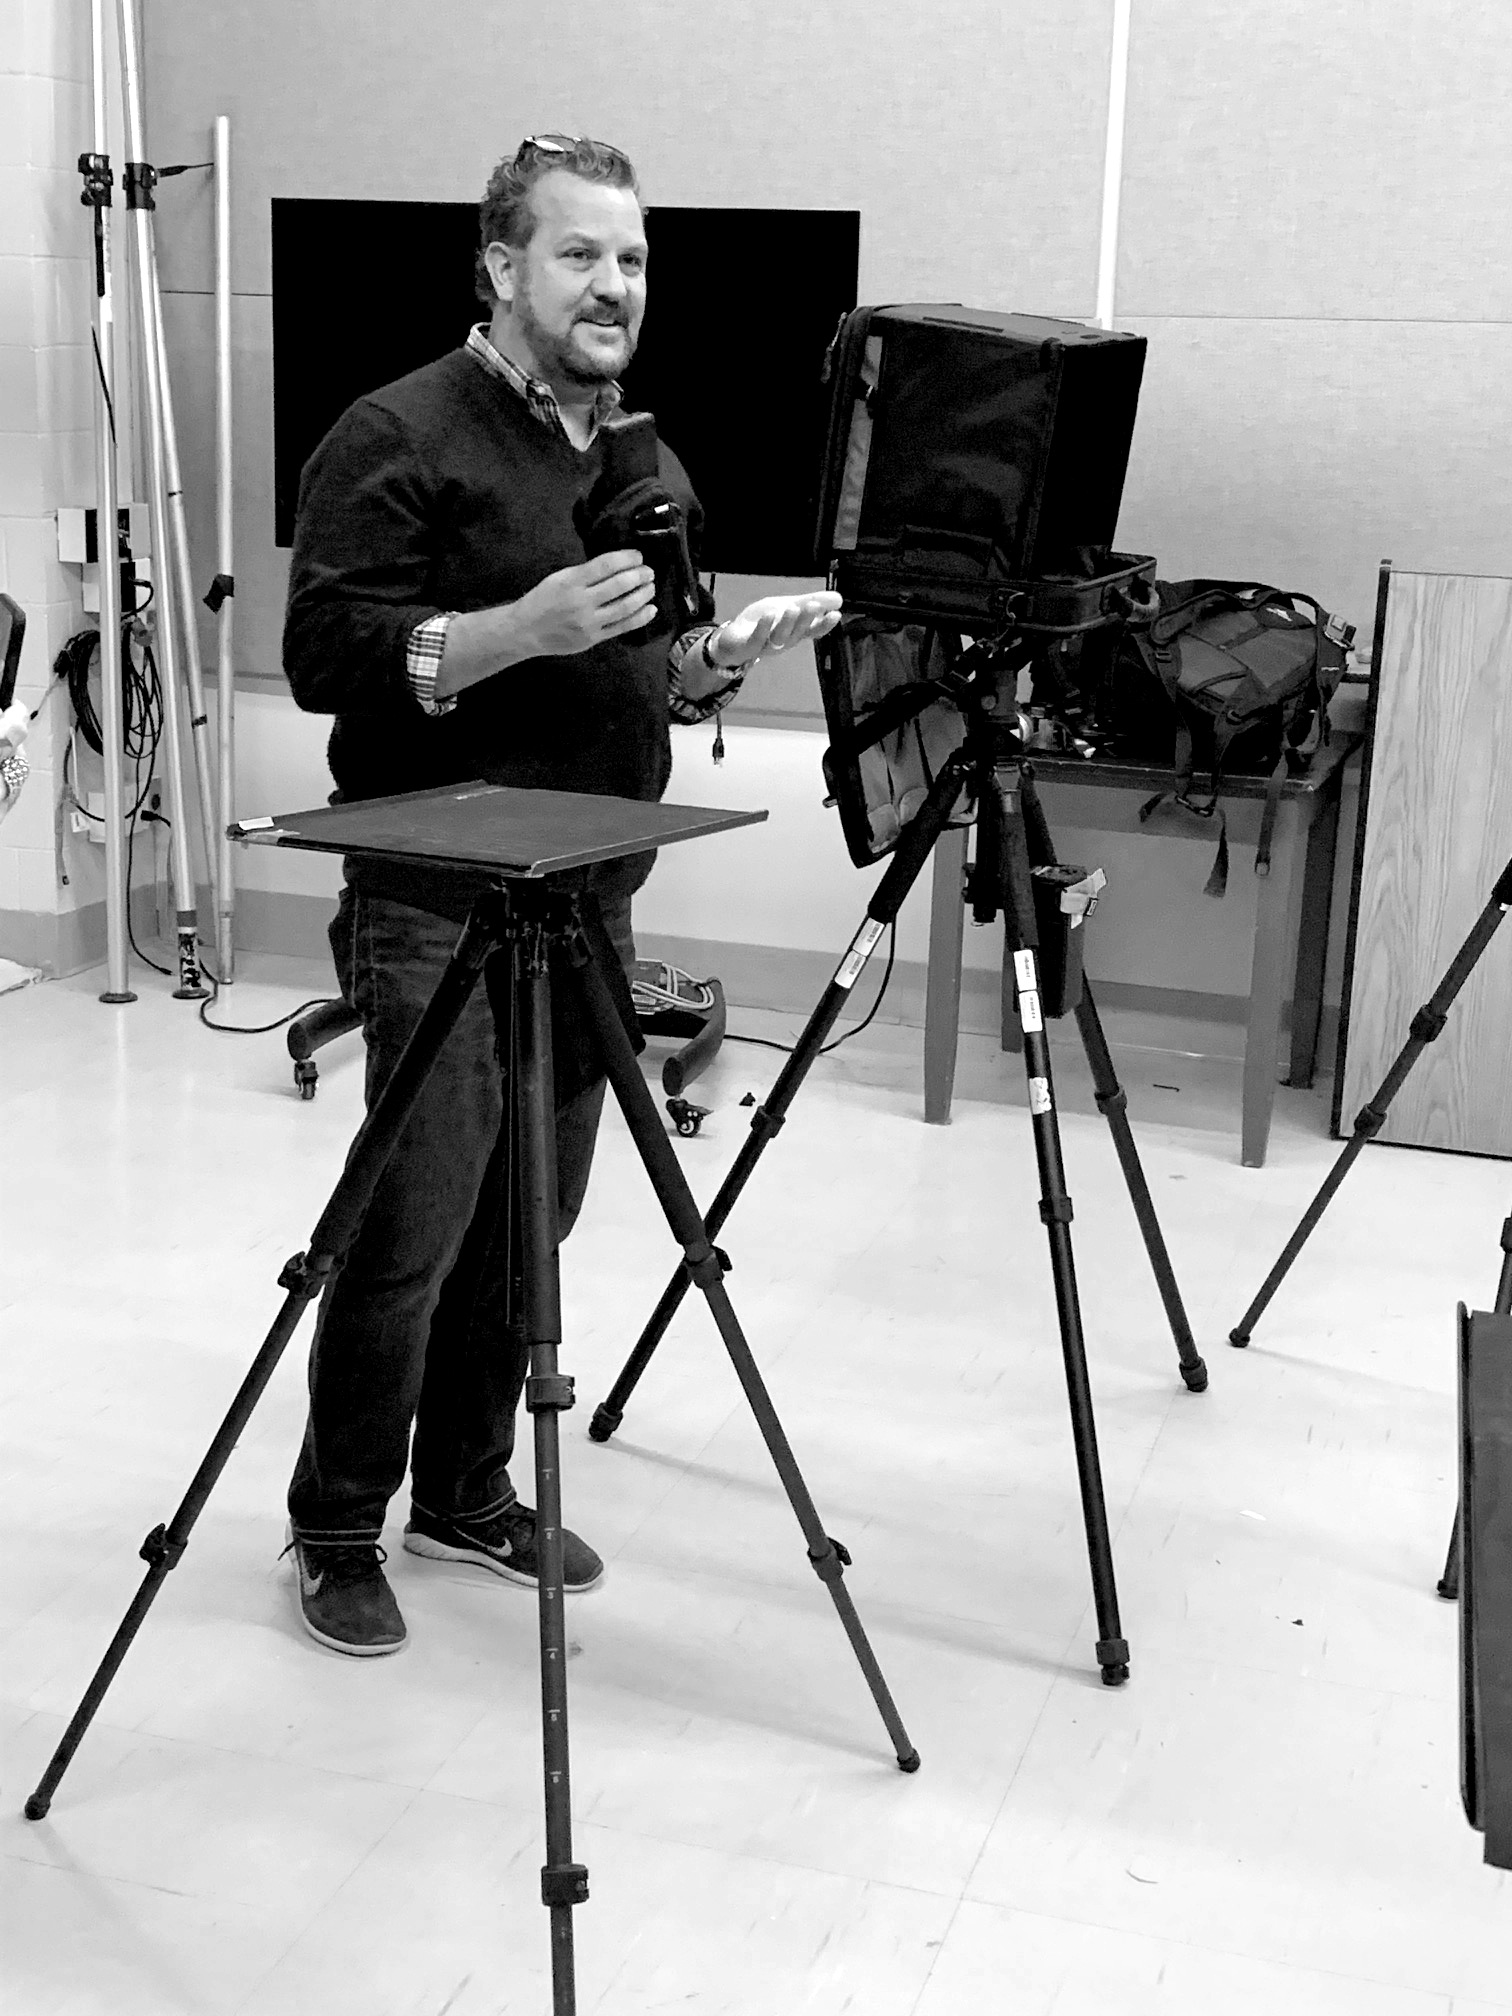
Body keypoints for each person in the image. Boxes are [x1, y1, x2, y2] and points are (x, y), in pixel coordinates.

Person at [281, 133, 840, 1656]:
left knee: (536, 1220)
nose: (616, 287)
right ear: (501, 269)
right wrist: (509, 630)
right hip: (432, 894)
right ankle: (337, 1523)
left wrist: (716, 660)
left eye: (636, 259)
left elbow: (644, 657)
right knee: (413, 1222)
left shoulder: (640, 457)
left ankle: (466, 1493)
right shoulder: (393, 433)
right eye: (583, 255)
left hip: (587, 893)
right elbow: (326, 658)